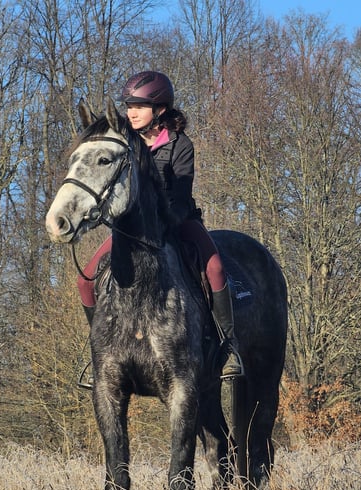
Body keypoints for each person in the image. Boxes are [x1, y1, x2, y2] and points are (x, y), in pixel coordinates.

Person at [77, 70, 243, 381]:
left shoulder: (180, 145)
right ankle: (98, 350)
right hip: (132, 230)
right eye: (128, 106)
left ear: (160, 110)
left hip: (179, 223)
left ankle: (227, 345)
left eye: (138, 106)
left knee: (217, 268)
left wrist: (161, 221)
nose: (131, 113)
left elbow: (180, 198)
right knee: (85, 280)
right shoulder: (123, 143)